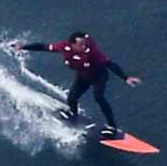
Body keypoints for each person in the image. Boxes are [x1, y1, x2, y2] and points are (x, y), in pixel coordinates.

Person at [11, 31, 141, 139]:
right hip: (83, 76)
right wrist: (23, 47)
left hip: (98, 77)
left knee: (98, 97)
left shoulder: (92, 51)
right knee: (72, 98)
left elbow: (110, 64)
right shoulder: (63, 47)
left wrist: (126, 78)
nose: (84, 47)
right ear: (72, 44)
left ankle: (112, 126)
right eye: (81, 45)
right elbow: (44, 47)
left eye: (85, 44)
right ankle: (73, 113)